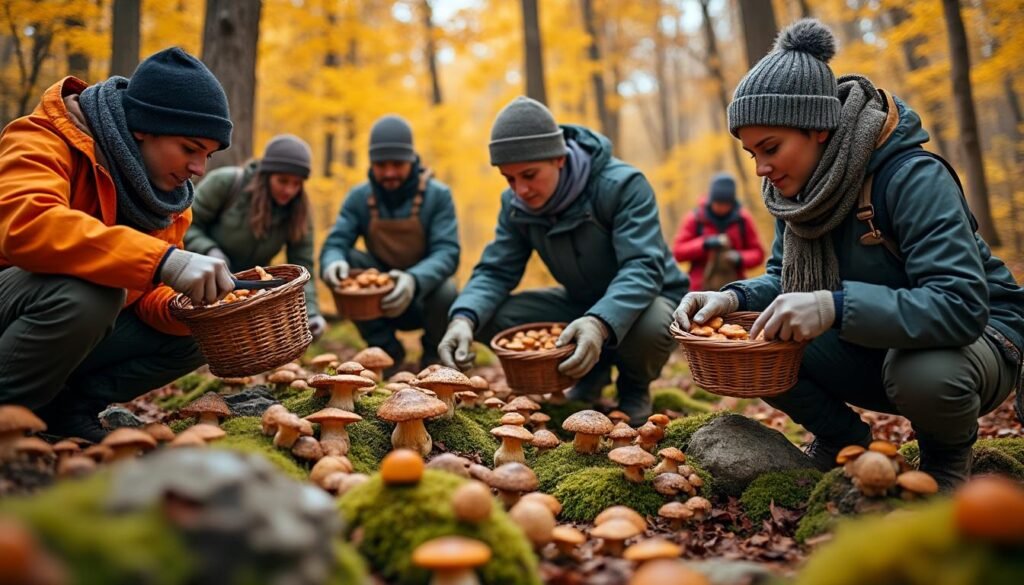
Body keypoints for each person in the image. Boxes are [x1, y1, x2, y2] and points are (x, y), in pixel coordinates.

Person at [672, 20, 1024, 490]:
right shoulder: (795, 194)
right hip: (881, 336)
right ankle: (841, 441)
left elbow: (960, 306)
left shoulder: (911, 177)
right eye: (751, 152)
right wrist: (732, 298)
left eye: (771, 148)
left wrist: (832, 306)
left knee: (920, 370)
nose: (762, 168)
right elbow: (783, 279)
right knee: (761, 339)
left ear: (818, 127)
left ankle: (944, 462)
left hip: (979, 340)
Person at [0, 47, 236, 441]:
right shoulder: (41, 138)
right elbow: (28, 225)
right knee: (91, 294)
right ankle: (9, 413)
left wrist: (187, 308)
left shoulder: (169, 204)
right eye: (191, 149)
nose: (199, 169)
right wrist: (164, 261)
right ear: (143, 126)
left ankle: (64, 411)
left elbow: (144, 295)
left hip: (72, 324)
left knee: (203, 331)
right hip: (18, 306)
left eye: (208, 155)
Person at [439, 96, 689, 425]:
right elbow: (496, 271)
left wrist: (599, 322)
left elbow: (642, 268)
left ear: (559, 158)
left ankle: (634, 388)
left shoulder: (623, 185)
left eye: (529, 174)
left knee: (653, 322)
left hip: (649, 298)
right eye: (509, 179)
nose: (521, 190)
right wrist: (462, 319)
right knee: (486, 315)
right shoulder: (515, 205)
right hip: (579, 302)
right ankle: (590, 375)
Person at [320, 115, 459, 373]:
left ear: (412, 161)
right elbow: (336, 242)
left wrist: (413, 280)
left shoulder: (438, 196)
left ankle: (434, 358)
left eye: (398, 164)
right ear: (371, 163)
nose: (389, 173)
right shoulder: (359, 197)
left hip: (422, 297)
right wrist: (332, 263)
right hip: (377, 299)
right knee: (347, 262)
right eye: (381, 164)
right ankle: (387, 354)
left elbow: (448, 252)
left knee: (448, 290)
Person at [184, 134, 325, 339]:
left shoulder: (299, 213)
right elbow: (186, 224)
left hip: (249, 296)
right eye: (283, 181)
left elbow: (303, 267)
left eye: (297, 184)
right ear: (266, 175)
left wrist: (311, 313)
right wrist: (209, 250)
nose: (289, 190)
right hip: (201, 281)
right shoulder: (226, 183)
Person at [672, 173, 765, 291]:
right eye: (718, 203)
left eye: (726, 204)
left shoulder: (743, 219)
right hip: (699, 289)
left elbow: (758, 253)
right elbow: (678, 252)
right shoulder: (695, 219)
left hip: (734, 288)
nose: (721, 207)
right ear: (711, 200)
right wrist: (704, 244)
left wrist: (739, 258)